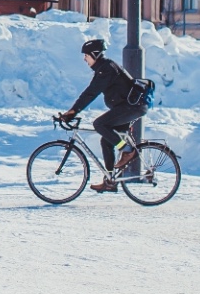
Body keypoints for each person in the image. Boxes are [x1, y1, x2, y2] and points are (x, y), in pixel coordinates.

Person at [55, 37, 151, 192]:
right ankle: (110, 181)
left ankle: (127, 150)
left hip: (132, 107)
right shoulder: (103, 68)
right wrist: (73, 111)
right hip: (129, 107)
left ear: (95, 54)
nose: (84, 59)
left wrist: (73, 111)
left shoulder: (106, 69)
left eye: (86, 55)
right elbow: (91, 91)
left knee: (99, 124)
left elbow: (91, 93)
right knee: (106, 140)